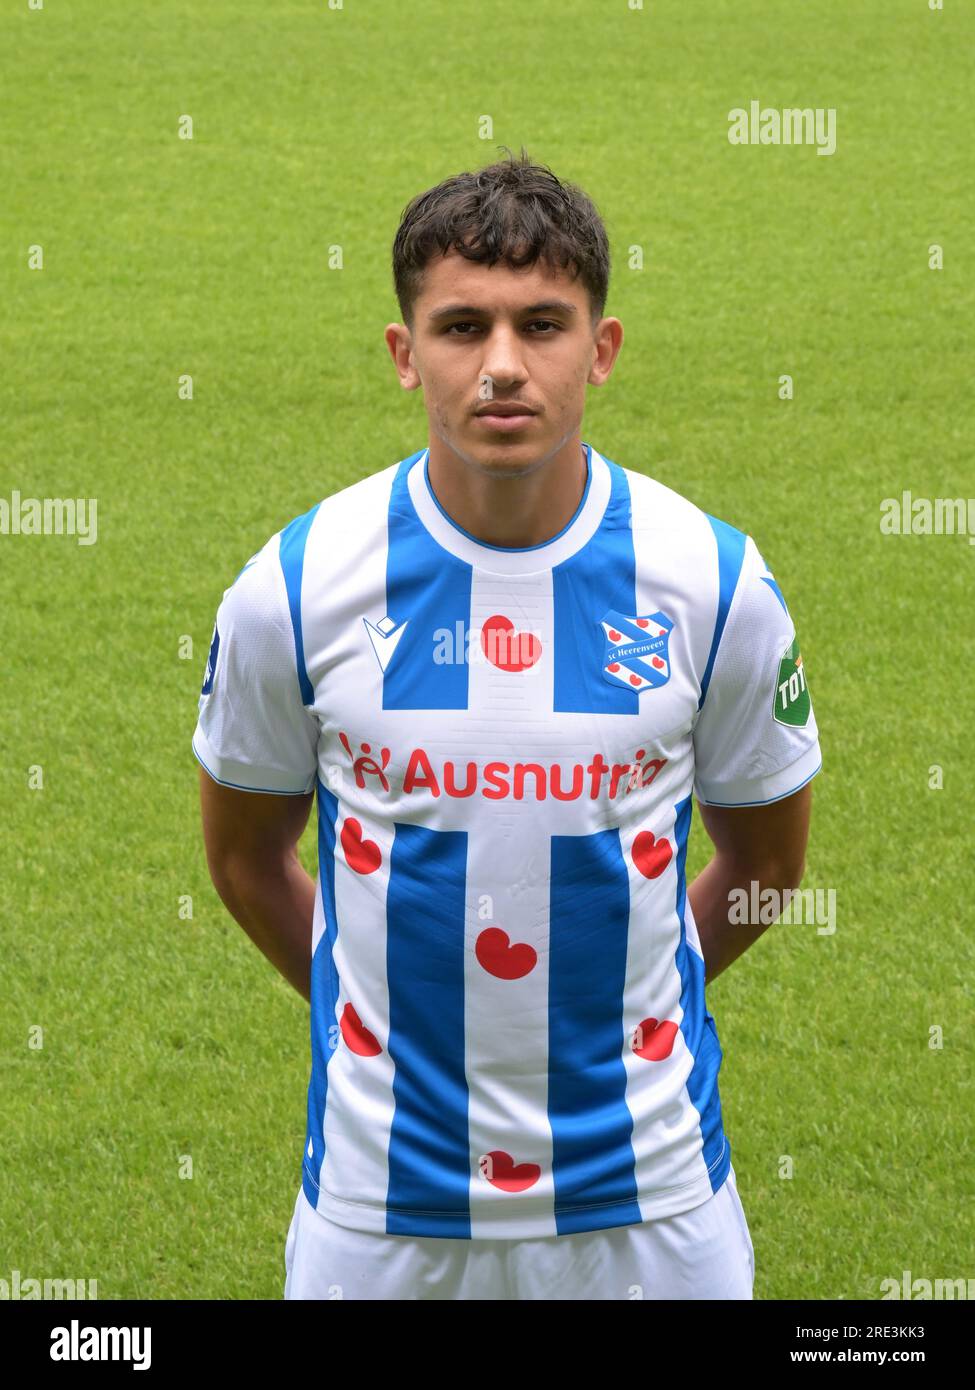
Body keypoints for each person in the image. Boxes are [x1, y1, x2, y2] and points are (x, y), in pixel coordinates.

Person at [192, 149, 822, 1300]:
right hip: (382, 1211)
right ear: (403, 353)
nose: (501, 367)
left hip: (653, 1208)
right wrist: (372, 1024)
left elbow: (771, 865)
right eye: (459, 327)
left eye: (542, 324)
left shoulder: (713, 584)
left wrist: (632, 1011)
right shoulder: (296, 587)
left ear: (602, 347)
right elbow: (242, 855)